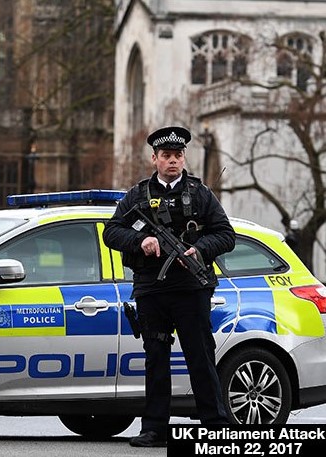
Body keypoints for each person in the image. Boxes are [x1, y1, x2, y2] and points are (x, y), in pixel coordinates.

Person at [102, 126, 236, 448]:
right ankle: (155, 428)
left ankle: (215, 427)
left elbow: (226, 235)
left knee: (200, 357)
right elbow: (111, 232)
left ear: (183, 158)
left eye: (177, 155)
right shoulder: (137, 196)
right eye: (166, 155)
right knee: (156, 359)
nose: (172, 161)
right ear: (155, 159)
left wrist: (200, 249)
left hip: (191, 289)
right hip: (152, 289)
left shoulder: (200, 194)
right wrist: (140, 240)